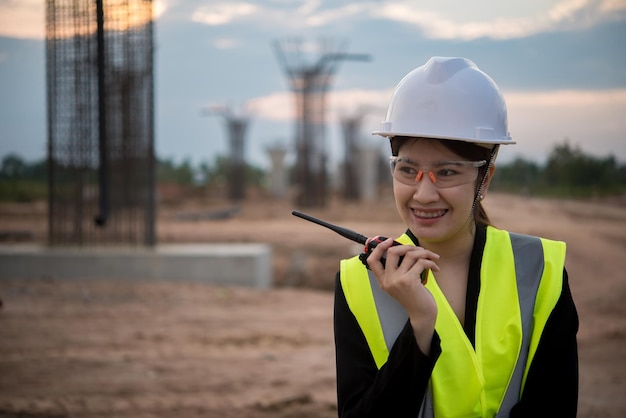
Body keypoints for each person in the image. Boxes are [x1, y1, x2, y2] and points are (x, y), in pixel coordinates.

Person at [333, 57, 579, 417]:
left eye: (446, 172)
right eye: (408, 170)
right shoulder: (358, 282)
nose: (424, 194)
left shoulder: (540, 271)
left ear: (486, 179)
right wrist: (419, 324)